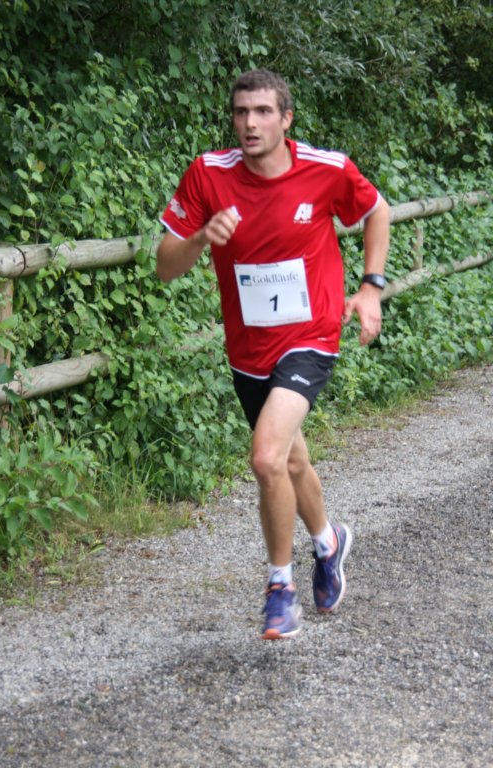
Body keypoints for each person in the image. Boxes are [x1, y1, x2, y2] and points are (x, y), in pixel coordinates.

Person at [156, 68, 389, 640]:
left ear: (286, 119)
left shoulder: (325, 169)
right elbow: (165, 266)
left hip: (311, 334)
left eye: (263, 112)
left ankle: (280, 589)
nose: (250, 123)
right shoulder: (209, 174)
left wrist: (370, 288)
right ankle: (329, 542)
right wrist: (200, 237)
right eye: (241, 112)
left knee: (265, 458)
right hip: (248, 347)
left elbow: (376, 211)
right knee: (289, 461)